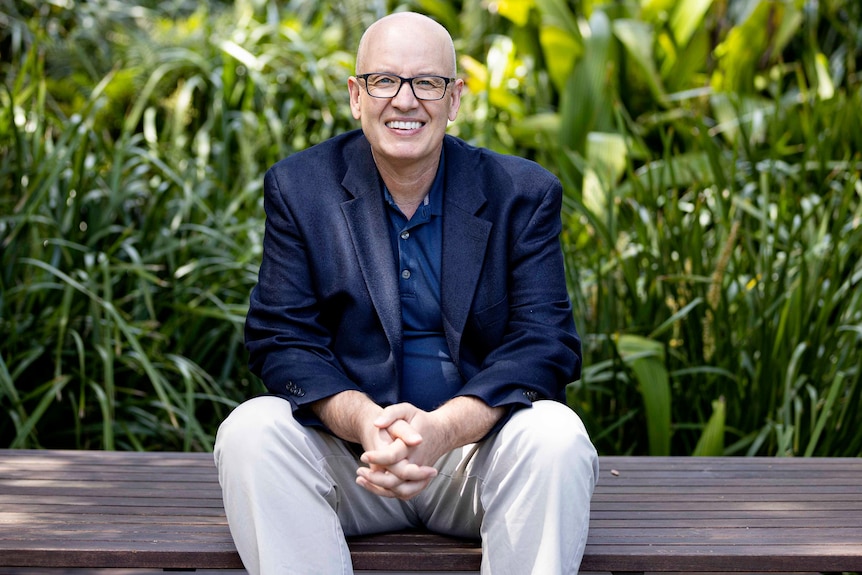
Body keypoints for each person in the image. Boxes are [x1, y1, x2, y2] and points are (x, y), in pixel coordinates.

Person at [214, 11, 598, 575]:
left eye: (427, 82)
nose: (405, 100)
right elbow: (281, 339)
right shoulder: (301, 188)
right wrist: (367, 421)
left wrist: (441, 430)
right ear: (356, 95)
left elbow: (545, 345)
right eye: (384, 80)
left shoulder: (523, 193)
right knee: (251, 431)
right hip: (353, 464)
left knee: (557, 436)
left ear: (455, 98)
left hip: (474, 462)